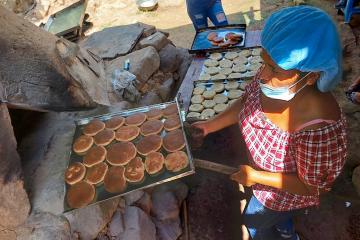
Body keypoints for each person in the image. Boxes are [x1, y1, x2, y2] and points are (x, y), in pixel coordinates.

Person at [189, 6, 347, 240]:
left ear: (312, 75)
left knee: (255, 220)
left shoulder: (319, 130)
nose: (262, 75)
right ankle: (285, 229)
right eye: (264, 62)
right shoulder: (275, 83)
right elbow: (247, 102)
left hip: (281, 195)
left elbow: (312, 187)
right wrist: (209, 125)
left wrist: (257, 178)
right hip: (258, 174)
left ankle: (284, 232)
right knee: (270, 220)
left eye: (273, 68)